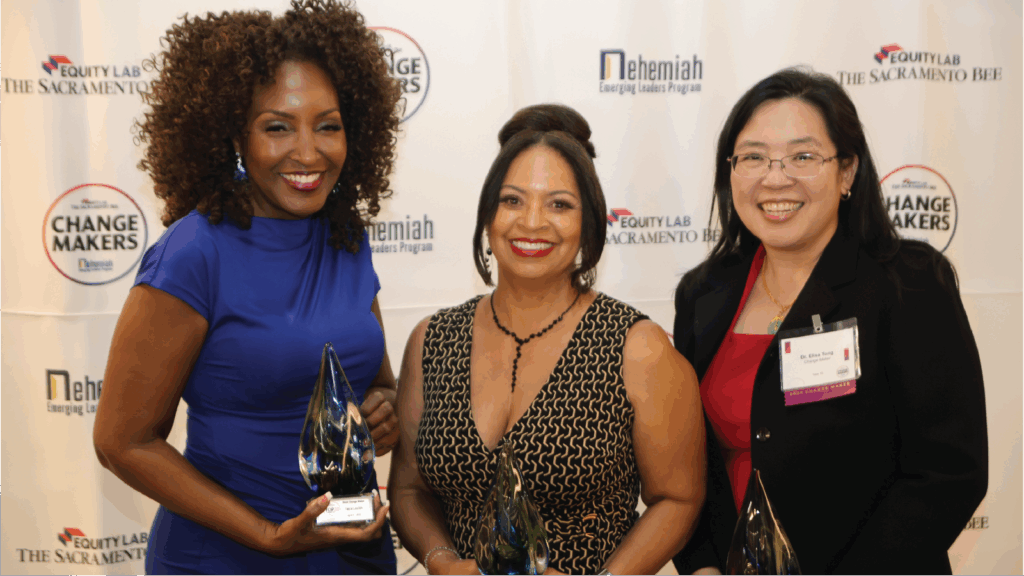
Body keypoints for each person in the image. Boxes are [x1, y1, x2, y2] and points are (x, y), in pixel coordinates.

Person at [92, 1, 403, 573]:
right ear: (235, 134)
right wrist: (267, 535)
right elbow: (122, 441)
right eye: (277, 127)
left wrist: (385, 407)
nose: (308, 152)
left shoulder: (345, 236)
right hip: (227, 555)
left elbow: (375, 382)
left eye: (328, 126)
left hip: (352, 550)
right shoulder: (195, 252)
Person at [671, 68, 987, 575]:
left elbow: (948, 472)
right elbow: (690, 465)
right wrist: (702, 565)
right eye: (753, 157)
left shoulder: (908, 284)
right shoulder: (703, 294)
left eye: (803, 156)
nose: (776, 178)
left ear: (847, 172)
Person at [388, 104, 706, 575]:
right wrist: (442, 562)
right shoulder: (432, 341)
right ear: (488, 215)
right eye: (512, 201)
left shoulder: (637, 347)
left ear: (589, 223)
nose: (532, 222)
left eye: (559, 204)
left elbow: (678, 498)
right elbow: (408, 490)